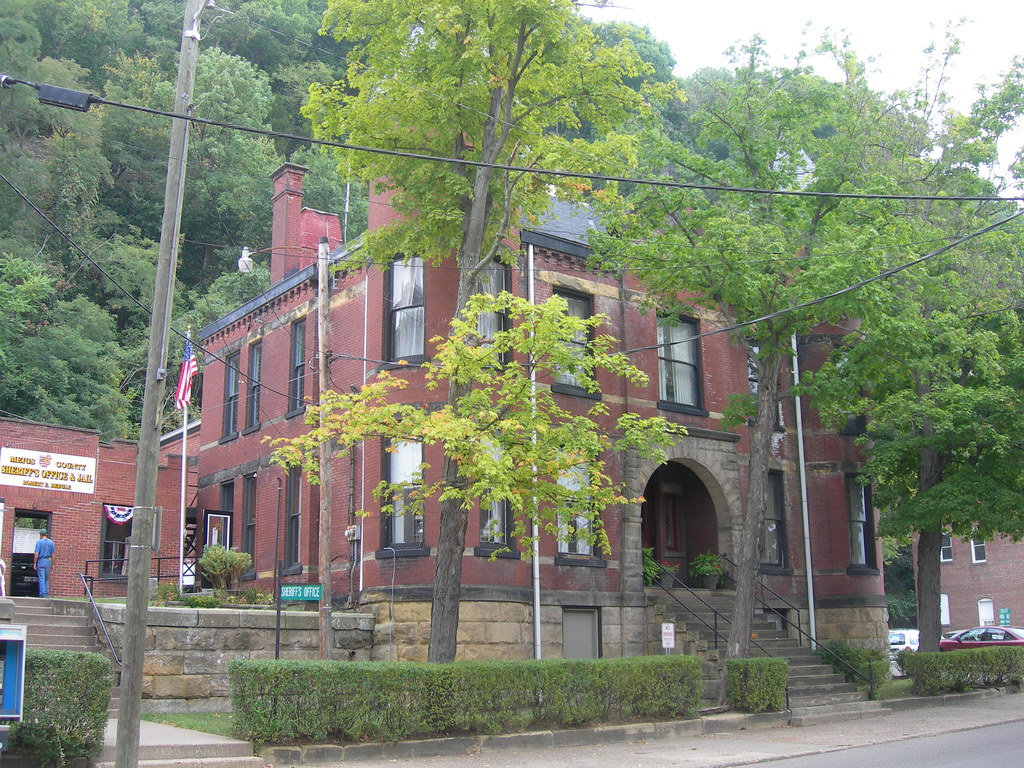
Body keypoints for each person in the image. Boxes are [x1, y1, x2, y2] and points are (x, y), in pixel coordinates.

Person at [33, 529, 55, 598]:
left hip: (41, 560)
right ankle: (47, 593)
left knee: (41, 578)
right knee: (46, 578)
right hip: (48, 560)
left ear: (41, 534)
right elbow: (53, 554)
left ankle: (42, 594)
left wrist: (34, 563)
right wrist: (52, 564)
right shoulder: (51, 542)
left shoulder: (39, 542)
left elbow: (36, 553)